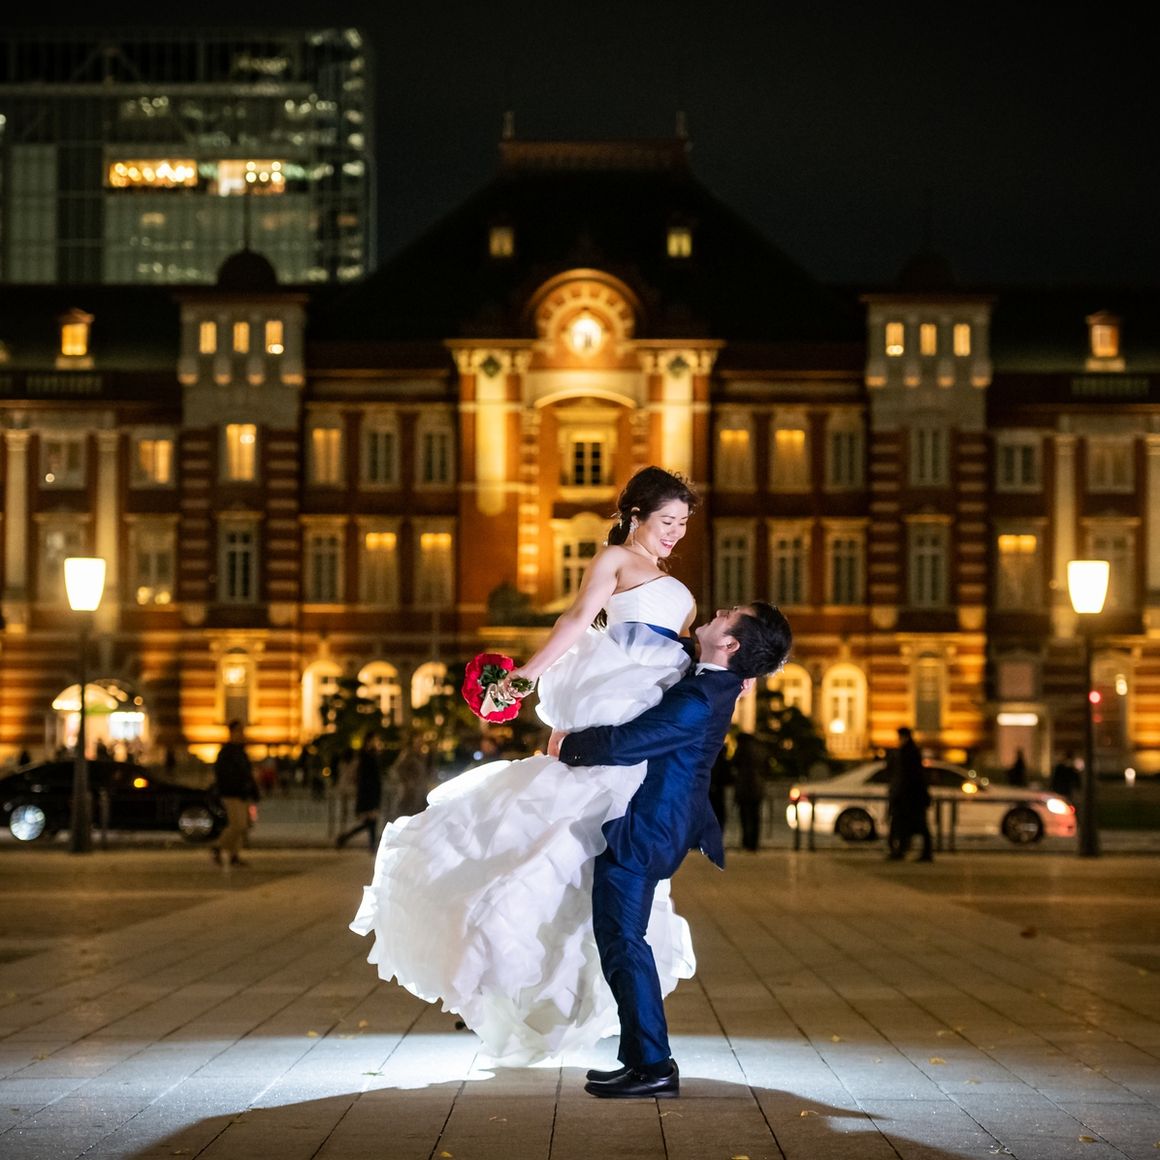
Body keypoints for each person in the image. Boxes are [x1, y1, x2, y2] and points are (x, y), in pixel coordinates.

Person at [351, 466, 709, 1065]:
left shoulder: (665, 577)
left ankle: (572, 976)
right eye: (668, 520)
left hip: (648, 719)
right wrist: (525, 675)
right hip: (619, 710)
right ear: (637, 515)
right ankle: (500, 947)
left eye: (683, 524)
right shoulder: (614, 560)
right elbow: (575, 620)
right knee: (569, 838)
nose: (676, 532)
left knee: (597, 852)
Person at [553, 601, 792, 1099]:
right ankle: (645, 1060)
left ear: (731, 644)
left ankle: (654, 1066)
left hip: (648, 828)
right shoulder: (713, 680)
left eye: (729, 614)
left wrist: (565, 746)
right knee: (621, 937)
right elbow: (688, 649)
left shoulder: (702, 698)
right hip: (652, 824)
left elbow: (627, 743)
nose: (719, 609)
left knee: (623, 939)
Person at [211, 719, 259, 868]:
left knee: (243, 825)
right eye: (239, 731)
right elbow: (223, 774)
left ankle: (234, 855)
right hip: (231, 794)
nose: (241, 734)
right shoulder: (227, 752)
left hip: (242, 794)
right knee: (237, 825)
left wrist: (253, 790)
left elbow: (247, 773)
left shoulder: (240, 751)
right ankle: (218, 847)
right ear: (232, 732)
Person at [887, 726, 933, 862]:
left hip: (910, 796)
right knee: (914, 825)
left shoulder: (907, 753)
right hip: (913, 796)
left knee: (912, 824)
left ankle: (904, 850)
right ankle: (907, 850)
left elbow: (907, 776)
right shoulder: (911, 751)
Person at [335, 735, 384, 852]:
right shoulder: (365, 757)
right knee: (370, 823)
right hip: (368, 795)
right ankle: (369, 845)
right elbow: (365, 779)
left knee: (370, 823)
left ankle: (349, 839)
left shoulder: (370, 756)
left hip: (370, 794)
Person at [731, 731, 767, 853]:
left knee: (745, 817)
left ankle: (747, 842)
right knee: (755, 817)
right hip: (757, 788)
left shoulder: (743, 749)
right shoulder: (759, 749)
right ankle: (754, 843)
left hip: (745, 788)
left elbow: (734, 763)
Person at [389, 733, 430, 818]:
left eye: (421, 741)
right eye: (418, 741)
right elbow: (397, 769)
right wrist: (408, 783)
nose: (420, 743)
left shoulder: (420, 755)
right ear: (413, 742)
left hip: (419, 795)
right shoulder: (408, 754)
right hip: (409, 797)